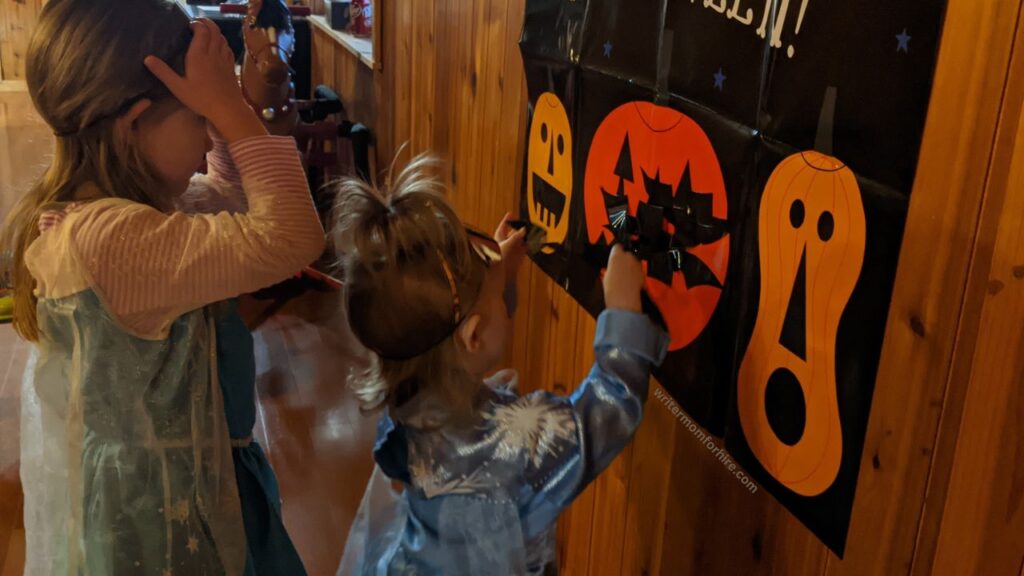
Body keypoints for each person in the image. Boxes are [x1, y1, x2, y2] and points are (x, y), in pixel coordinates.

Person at [0, 1, 324, 573]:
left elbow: (232, 199)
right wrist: (229, 106)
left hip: (195, 479)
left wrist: (228, 107)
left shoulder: (135, 217)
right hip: (165, 519)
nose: (210, 133)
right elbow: (294, 238)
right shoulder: (112, 241)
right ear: (133, 124)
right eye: (197, 118)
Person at [331, 155, 669, 575]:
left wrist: (497, 280)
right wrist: (622, 314)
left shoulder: (406, 396)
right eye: (498, 301)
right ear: (473, 337)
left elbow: (465, 341)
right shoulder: (523, 440)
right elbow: (608, 409)